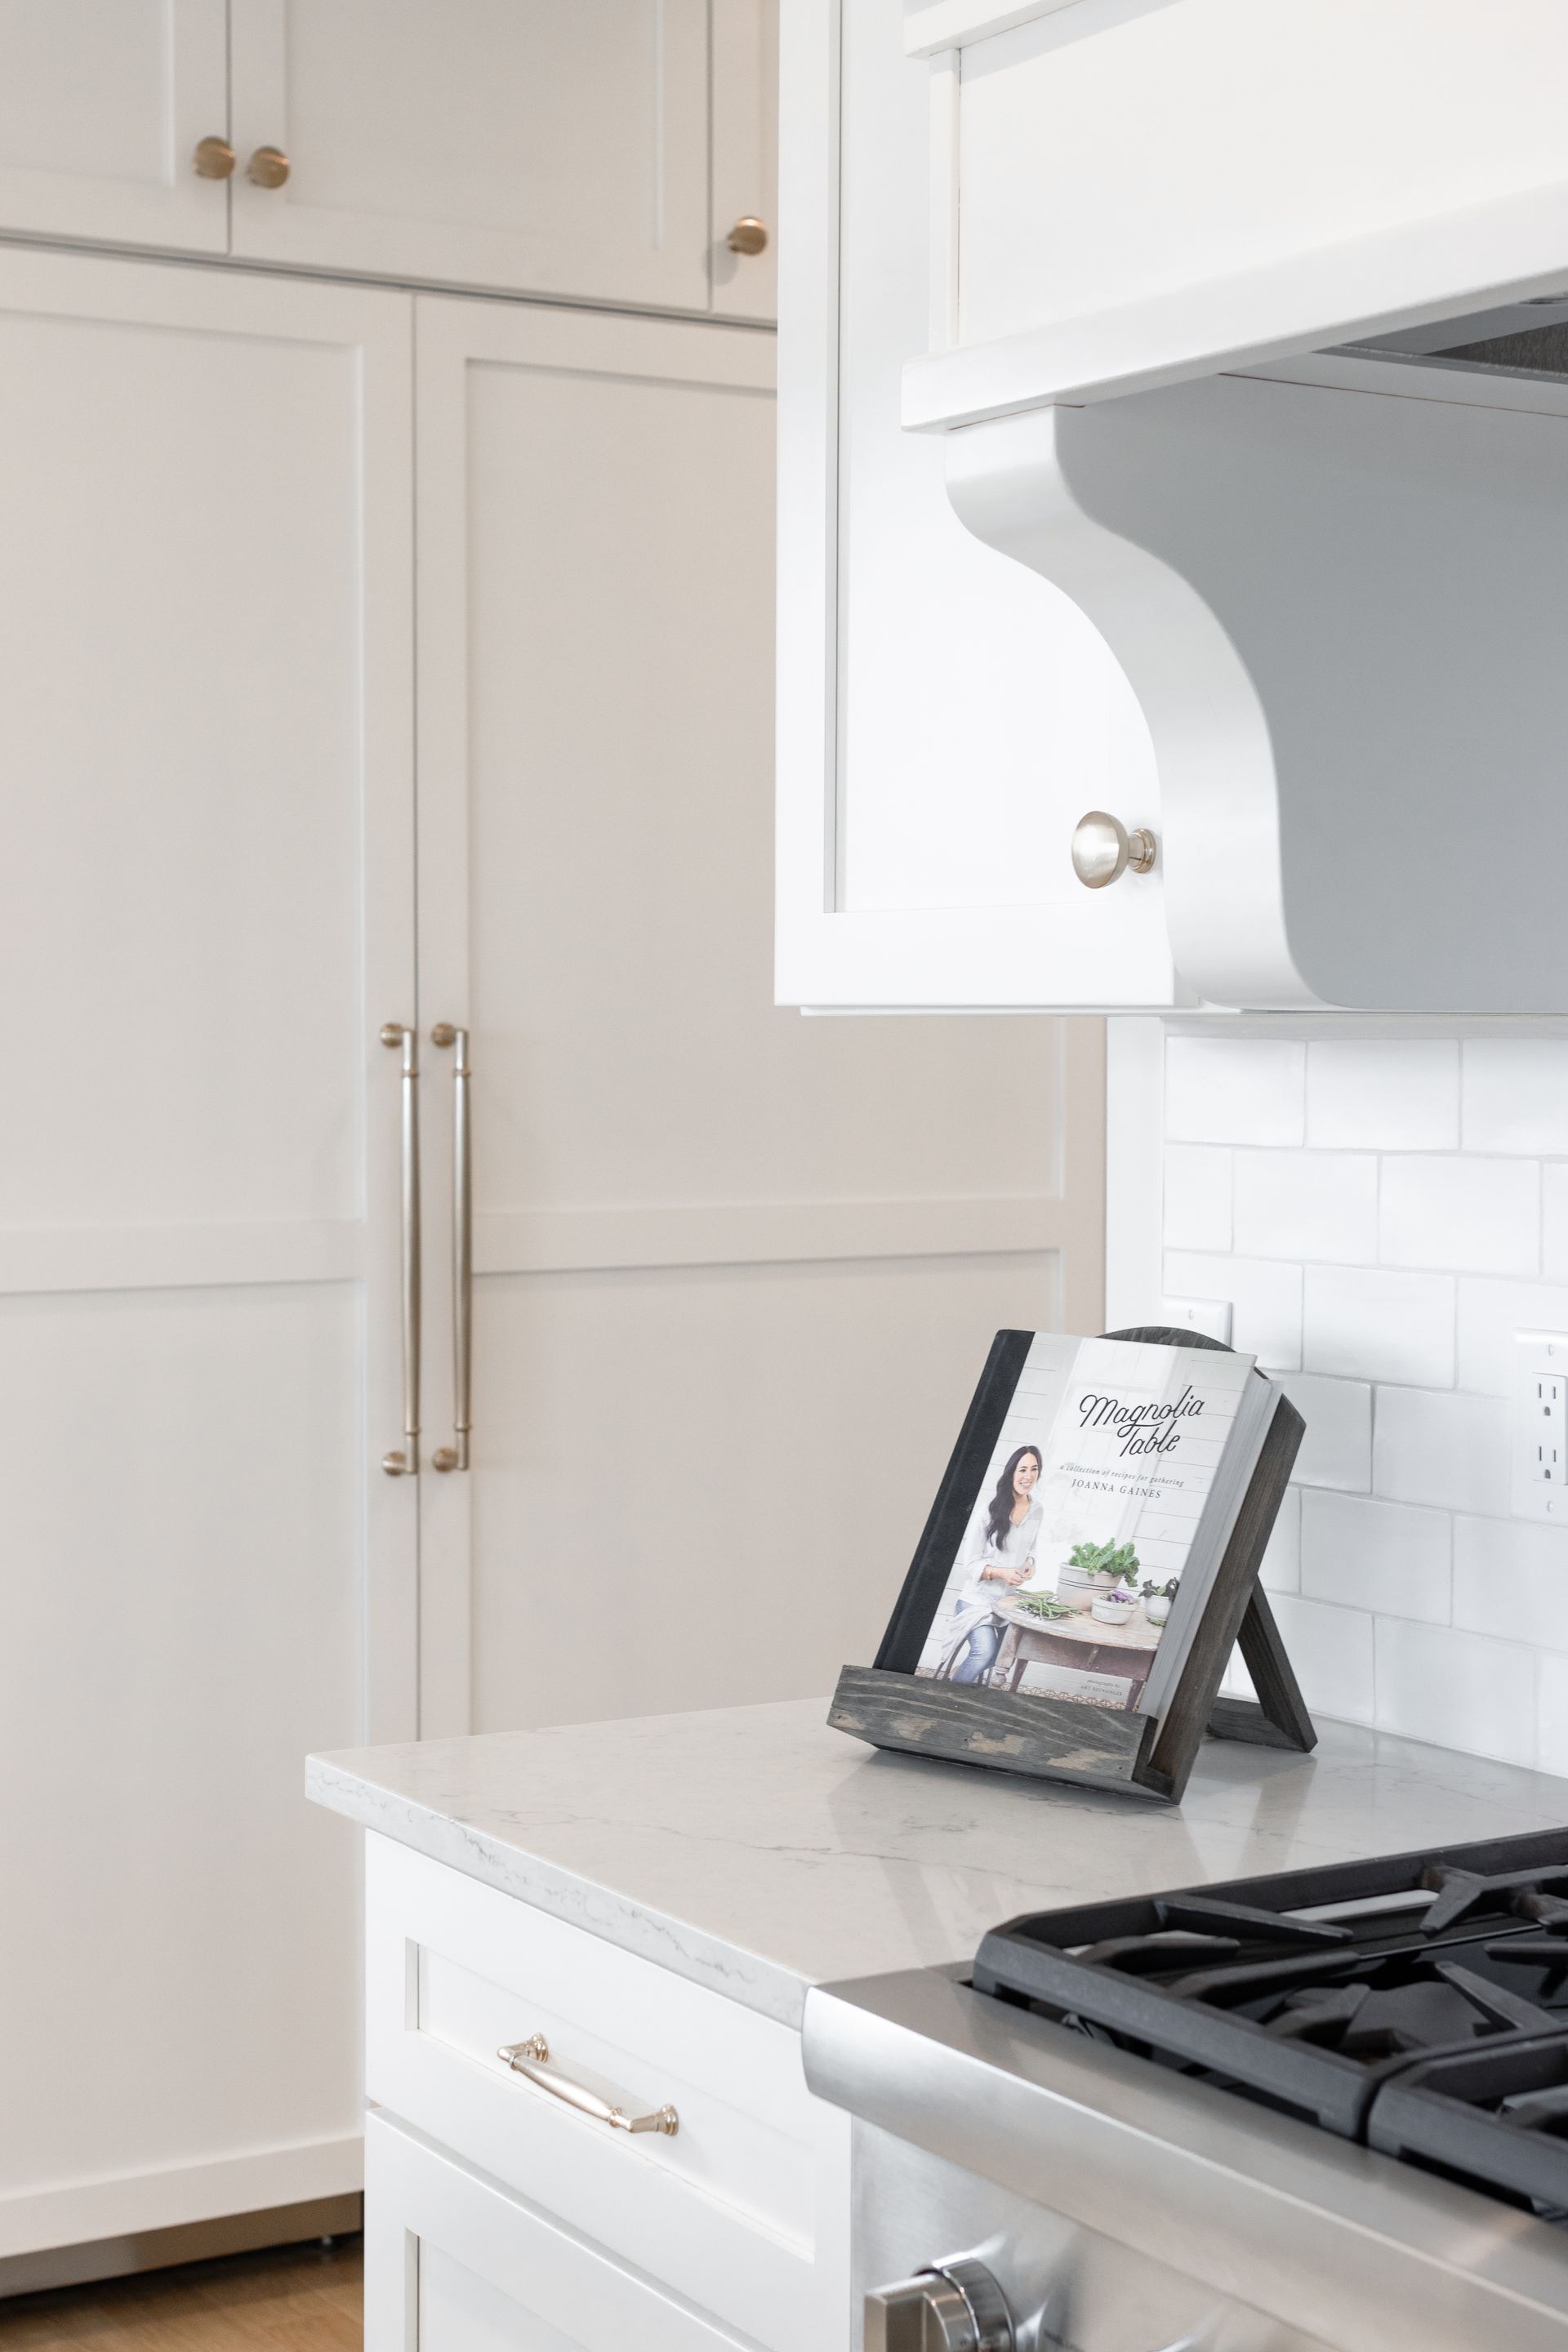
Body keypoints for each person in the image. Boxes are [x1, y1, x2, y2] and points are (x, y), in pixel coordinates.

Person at [935, 1445, 1043, 1685]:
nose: (1028, 1476)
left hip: (1008, 1604)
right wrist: (1002, 1574)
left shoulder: (1037, 1510)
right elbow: (970, 1566)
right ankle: (949, 1695)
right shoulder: (989, 1511)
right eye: (1022, 1469)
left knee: (1007, 1654)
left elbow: (1032, 1549)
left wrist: (1030, 1564)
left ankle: (959, 1674)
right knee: (983, 1653)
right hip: (976, 1602)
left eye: (1034, 1469)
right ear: (1011, 1473)